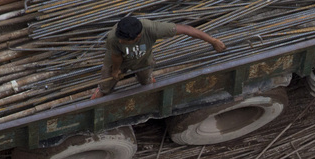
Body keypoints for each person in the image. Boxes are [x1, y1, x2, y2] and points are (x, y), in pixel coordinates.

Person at [90, 16, 226, 99]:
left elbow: (188, 30)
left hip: (143, 59)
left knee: (146, 79)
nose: (120, 41)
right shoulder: (114, 37)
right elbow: (116, 55)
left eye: (124, 41)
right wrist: (116, 70)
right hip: (117, 60)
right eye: (120, 38)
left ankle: (147, 81)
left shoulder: (152, 29)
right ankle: (102, 90)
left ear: (138, 37)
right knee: (107, 80)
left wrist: (213, 41)